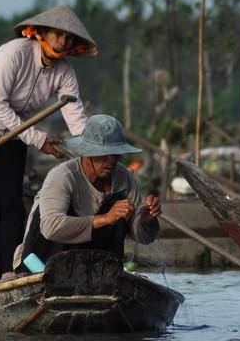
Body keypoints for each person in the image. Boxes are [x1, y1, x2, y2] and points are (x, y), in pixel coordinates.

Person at [0, 5, 99, 284]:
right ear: (41, 33)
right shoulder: (13, 54)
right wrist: (39, 140)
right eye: (57, 35)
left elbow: (76, 117)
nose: (62, 42)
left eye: (68, 39)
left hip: (16, 130)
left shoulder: (64, 72)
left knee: (12, 201)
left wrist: (94, 152)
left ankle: (10, 270)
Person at [12, 114, 161, 272]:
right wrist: (105, 218)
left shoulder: (124, 178)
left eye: (115, 154)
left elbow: (144, 238)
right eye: (104, 155)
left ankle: (106, 272)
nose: (111, 160)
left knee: (118, 203)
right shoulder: (63, 176)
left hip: (90, 268)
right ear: (88, 153)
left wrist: (147, 218)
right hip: (41, 262)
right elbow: (50, 228)